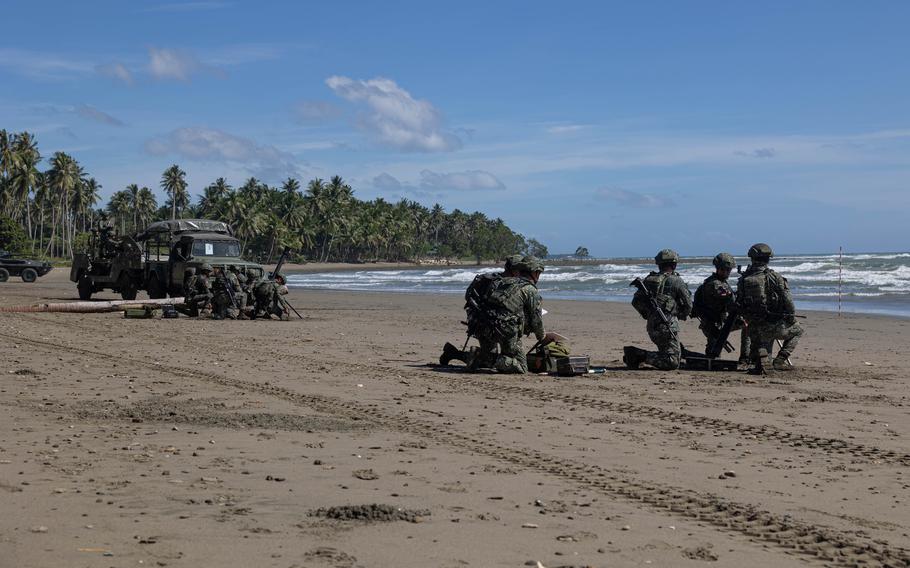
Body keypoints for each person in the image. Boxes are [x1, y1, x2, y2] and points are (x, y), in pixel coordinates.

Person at [439, 254, 524, 366]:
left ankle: (453, 353)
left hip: (480, 324)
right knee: (506, 360)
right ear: (515, 270)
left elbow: (468, 296)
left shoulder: (488, 279)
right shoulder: (508, 285)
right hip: (498, 327)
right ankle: (456, 354)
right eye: (522, 270)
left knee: (487, 359)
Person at [736, 243, 803, 373]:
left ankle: (761, 355)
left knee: (764, 351)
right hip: (773, 325)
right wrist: (791, 317)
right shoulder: (774, 277)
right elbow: (788, 300)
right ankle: (780, 360)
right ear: (767, 259)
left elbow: (740, 304)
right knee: (798, 330)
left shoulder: (743, 280)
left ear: (752, 258)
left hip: (753, 330)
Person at [624, 249, 693, 370]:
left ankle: (638, 356)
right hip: (668, 326)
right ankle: (637, 355)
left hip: (652, 326)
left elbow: (635, 302)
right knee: (672, 362)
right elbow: (688, 305)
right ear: (674, 264)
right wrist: (680, 314)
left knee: (670, 353)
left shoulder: (649, 280)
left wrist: (648, 314)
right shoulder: (676, 281)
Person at [693, 252, 751, 369]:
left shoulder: (720, 282)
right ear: (718, 269)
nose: (726, 273)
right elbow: (731, 302)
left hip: (718, 322)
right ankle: (744, 358)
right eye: (723, 270)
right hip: (714, 324)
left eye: (728, 270)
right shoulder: (715, 284)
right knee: (713, 356)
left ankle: (745, 358)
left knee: (713, 354)